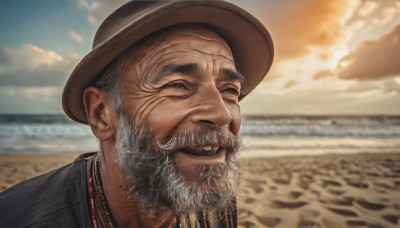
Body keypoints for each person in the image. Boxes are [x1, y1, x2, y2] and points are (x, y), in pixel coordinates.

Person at [0, 0, 273, 227]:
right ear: (102, 114)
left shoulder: (216, 209)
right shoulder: (18, 218)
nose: (222, 114)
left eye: (230, 90)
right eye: (177, 85)